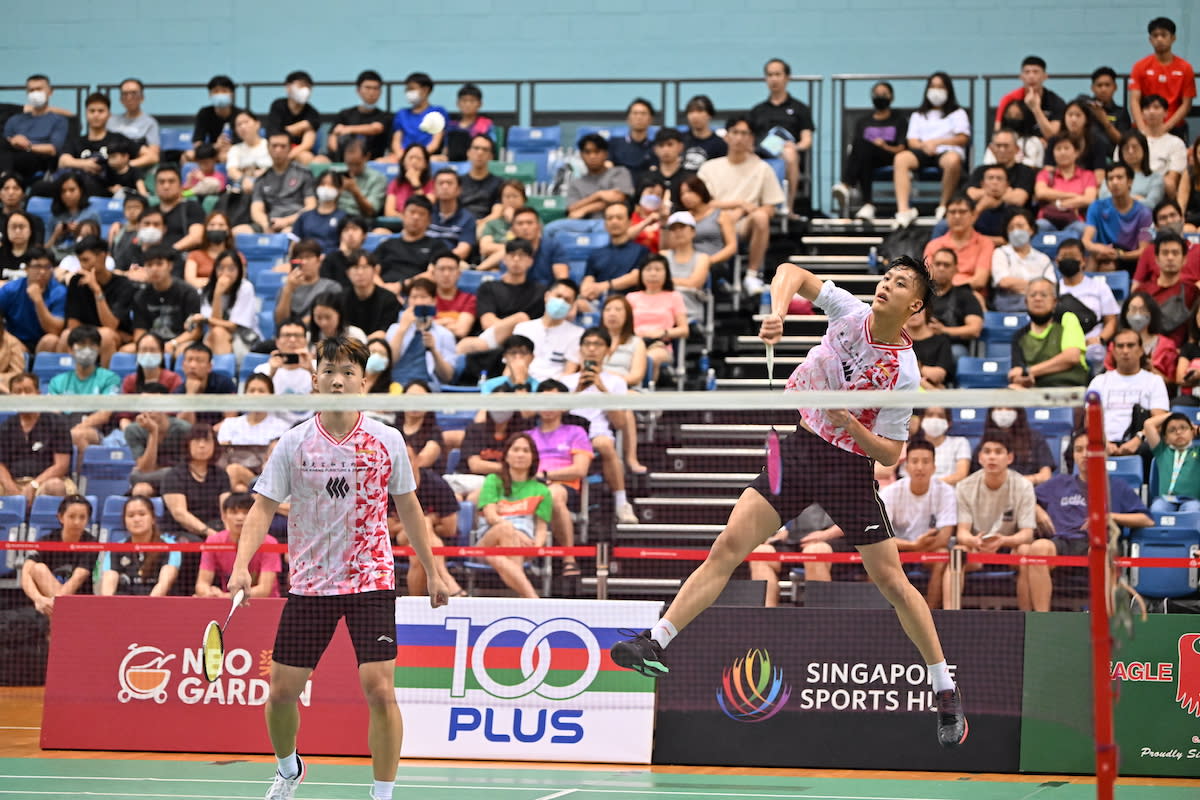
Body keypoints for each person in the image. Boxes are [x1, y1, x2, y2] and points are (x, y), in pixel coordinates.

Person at [610, 256, 967, 748]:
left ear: (916, 305)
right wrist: (777, 311)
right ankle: (656, 641)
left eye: (900, 283)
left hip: (847, 467)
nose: (887, 286)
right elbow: (791, 270)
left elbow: (890, 452)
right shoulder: (847, 312)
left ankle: (944, 688)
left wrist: (850, 424)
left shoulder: (904, 373)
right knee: (728, 546)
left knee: (891, 581)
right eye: (887, 277)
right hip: (799, 451)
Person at [227, 335, 446, 800]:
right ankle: (289, 770)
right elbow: (263, 508)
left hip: (371, 577)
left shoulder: (387, 440)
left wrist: (434, 569)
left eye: (348, 372)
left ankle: (382, 795)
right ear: (315, 380)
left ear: (362, 383)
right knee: (282, 691)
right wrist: (242, 565)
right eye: (329, 370)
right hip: (310, 583)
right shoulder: (293, 443)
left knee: (379, 688)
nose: (338, 379)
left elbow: (408, 507)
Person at [1031, 431, 1153, 611]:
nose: (1085, 454)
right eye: (1079, 450)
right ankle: (1042, 619)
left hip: (1095, 543)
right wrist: (1038, 510)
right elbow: (1025, 497)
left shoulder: (1117, 486)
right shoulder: (1059, 483)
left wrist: (1109, 517)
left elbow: (1147, 520)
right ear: (1074, 455)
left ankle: (1105, 618)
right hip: (1062, 542)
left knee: (1101, 552)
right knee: (1038, 548)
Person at [557, 326, 642, 523]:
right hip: (567, 434)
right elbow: (553, 414)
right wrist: (577, 390)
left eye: (597, 344)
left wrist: (602, 389)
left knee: (605, 444)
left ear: (607, 350)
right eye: (587, 344)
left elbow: (620, 423)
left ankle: (621, 503)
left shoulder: (616, 383)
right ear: (580, 349)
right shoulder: (565, 381)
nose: (592, 349)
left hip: (597, 435)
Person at [697, 116, 784, 295]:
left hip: (744, 224)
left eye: (744, 133)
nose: (739, 137)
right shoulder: (709, 167)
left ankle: (751, 275)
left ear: (751, 138)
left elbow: (770, 207)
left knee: (761, 217)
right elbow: (702, 202)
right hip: (713, 222)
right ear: (727, 137)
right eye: (735, 132)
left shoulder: (762, 168)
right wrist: (739, 204)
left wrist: (745, 212)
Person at [952, 435, 1037, 609]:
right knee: (957, 553)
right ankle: (949, 614)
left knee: (1027, 550)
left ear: (1010, 458)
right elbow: (962, 533)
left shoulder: (1023, 486)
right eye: (987, 452)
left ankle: (1030, 617)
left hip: (1009, 546)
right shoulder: (964, 487)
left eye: (998, 452)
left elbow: (1027, 534)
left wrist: (1004, 540)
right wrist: (973, 541)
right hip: (977, 547)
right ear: (980, 458)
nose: (992, 457)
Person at [474, 432, 554, 599]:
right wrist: (513, 531)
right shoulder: (493, 480)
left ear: (533, 457)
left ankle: (525, 597)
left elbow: (541, 527)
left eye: (526, 450)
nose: (520, 454)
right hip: (487, 541)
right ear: (506, 456)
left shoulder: (542, 490)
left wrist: (536, 547)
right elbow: (490, 516)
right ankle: (532, 598)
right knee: (505, 528)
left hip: (523, 546)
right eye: (515, 449)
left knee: (496, 557)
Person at [879, 440, 955, 609]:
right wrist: (912, 545)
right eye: (914, 461)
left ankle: (931, 612)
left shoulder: (946, 492)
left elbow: (944, 538)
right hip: (899, 549)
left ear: (934, 467)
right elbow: (880, 537)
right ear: (906, 467)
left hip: (930, 548)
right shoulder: (891, 492)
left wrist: (919, 546)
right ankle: (882, 613)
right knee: (879, 558)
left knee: (942, 555)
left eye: (926, 462)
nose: (920, 467)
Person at [529, 380, 593, 580]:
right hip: (529, 487)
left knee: (553, 494)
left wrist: (546, 476)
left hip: (564, 488)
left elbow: (580, 469)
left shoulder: (576, 432)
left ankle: (569, 559)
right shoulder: (526, 436)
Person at [892, 72, 971, 227]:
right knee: (901, 158)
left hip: (947, 151)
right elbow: (912, 141)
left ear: (948, 90)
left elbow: (963, 138)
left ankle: (943, 206)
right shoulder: (918, 115)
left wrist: (938, 142)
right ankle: (903, 210)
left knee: (953, 160)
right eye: (933, 86)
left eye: (940, 87)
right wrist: (925, 146)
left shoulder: (958, 113)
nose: (936, 90)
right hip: (923, 151)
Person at [387, 446, 465, 599]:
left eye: (407, 459)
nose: (403, 465)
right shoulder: (385, 484)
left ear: (418, 461)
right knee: (425, 524)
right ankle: (445, 577)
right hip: (397, 544)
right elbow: (388, 529)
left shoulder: (436, 484)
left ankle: (416, 604)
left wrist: (417, 523)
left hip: (433, 543)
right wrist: (426, 520)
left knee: (418, 554)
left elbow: (450, 529)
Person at [831, 81, 907, 220]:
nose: (880, 97)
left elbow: (902, 148)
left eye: (884, 94)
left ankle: (846, 185)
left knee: (863, 150)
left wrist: (884, 146)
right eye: (877, 94)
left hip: (891, 156)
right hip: (868, 158)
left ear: (892, 97)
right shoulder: (863, 121)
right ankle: (867, 205)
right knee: (862, 150)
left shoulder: (899, 120)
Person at [749, 59, 814, 216]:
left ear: (787, 77)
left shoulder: (800, 108)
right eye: (770, 75)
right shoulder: (757, 111)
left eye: (778, 74)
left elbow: (807, 140)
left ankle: (788, 207)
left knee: (790, 154)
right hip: (761, 156)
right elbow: (749, 139)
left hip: (787, 155)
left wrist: (794, 147)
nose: (774, 79)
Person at [1091, 327, 1171, 455]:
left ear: (1140, 350)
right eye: (1120, 346)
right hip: (1104, 442)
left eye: (1130, 345)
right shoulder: (1099, 381)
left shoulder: (1154, 381)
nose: (1125, 351)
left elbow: (1159, 420)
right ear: (1113, 351)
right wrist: (1103, 442)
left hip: (1140, 443)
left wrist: (1138, 440)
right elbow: (1089, 419)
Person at [458, 239, 546, 354]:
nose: (516, 259)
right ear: (504, 259)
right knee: (467, 345)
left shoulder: (540, 291)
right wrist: (511, 325)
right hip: (492, 339)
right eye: (512, 255)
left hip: (526, 344)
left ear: (530, 261)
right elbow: (487, 322)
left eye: (522, 255)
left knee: (522, 319)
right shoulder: (488, 287)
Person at [749, 505, 843, 607]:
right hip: (797, 540)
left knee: (814, 552)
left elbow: (860, 520)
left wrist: (826, 534)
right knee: (761, 553)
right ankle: (765, 615)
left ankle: (818, 617)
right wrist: (784, 532)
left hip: (835, 539)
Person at [64, 235, 136, 364]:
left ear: (102, 256)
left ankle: (105, 380)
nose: (82, 266)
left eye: (86, 260)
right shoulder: (76, 281)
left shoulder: (123, 285)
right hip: (86, 332)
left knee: (105, 335)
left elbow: (111, 325)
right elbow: (72, 323)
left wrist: (97, 290)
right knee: (65, 336)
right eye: (80, 261)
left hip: (116, 335)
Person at [0, 373, 72, 501]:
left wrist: (34, 485)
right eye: (17, 392)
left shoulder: (56, 423)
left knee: (55, 486)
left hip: (46, 481)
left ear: (38, 394)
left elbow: (61, 466)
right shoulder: (5, 427)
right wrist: (11, 488)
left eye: (28, 391)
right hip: (14, 482)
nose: (23, 396)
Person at [21, 495, 96, 616]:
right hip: (48, 603)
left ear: (88, 520)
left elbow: (77, 579)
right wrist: (38, 599)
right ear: (61, 517)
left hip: (79, 602)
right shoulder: (47, 541)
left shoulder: (91, 543)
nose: (77, 522)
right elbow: (26, 572)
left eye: (82, 517)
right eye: (72, 516)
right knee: (38, 568)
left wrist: (57, 604)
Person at [196, 492, 281, 598]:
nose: (240, 518)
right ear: (224, 516)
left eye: (245, 512)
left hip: (266, 604)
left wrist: (223, 596)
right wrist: (208, 593)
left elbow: (264, 589)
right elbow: (202, 584)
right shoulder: (214, 541)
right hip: (227, 605)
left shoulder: (269, 543)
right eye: (234, 512)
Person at [216, 373, 292, 491]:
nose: (256, 395)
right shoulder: (229, 424)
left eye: (261, 391)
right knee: (239, 487)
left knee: (234, 471)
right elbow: (222, 459)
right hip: (233, 477)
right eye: (252, 390)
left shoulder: (282, 428)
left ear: (271, 396)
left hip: (266, 481)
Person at [1007, 279, 1088, 389]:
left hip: (1070, 389)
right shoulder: (1019, 336)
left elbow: (1072, 357)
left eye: (1044, 295)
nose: (1038, 299)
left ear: (1055, 302)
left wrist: (1029, 371)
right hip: (1036, 391)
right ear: (1026, 302)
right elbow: (1017, 373)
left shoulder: (1067, 320)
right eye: (1032, 295)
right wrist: (1021, 378)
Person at [1129, 17, 1196, 141]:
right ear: (1150, 39)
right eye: (1155, 35)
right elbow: (1134, 101)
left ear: (1173, 38)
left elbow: (1186, 104)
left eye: (1164, 35)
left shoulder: (1185, 68)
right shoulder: (1139, 66)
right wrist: (1143, 129)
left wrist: (1165, 128)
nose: (1159, 39)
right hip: (1145, 125)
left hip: (1174, 127)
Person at [97, 496, 180, 596]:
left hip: (157, 606)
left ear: (153, 518)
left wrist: (144, 609)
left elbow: (163, 584)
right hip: (123, 606)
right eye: (131, 516)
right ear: (124, 521)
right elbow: (108, 589)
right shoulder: (116, 548)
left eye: (142, 514)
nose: (136, 519)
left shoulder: (170, 546)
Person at [1055, 238, 1120, 366]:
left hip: (1092, 345)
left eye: (1073, 256)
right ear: (1057, 261)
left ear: (1083, 261)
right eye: (1064, 257)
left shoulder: (1099, 286)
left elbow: (1111, 320)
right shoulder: (1052, 290)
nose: (1068, 260)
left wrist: (1100, 339)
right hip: (1063, 347)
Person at [162, 423, 231, 541]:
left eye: (207, 441)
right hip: (181, 530)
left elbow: (226, 509)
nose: (202, 445)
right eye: (196, 440)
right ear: (187, 444)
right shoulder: (174, 475)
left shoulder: (221, 474)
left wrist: (228, 534)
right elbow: (180, 513)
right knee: (193, 542)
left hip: (214, 526)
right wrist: (208, 532)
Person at [129, 244, 202, 356]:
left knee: (181, 352)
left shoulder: (188, 293)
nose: (154, 269)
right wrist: (148, 345)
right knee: (124, 352)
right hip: (152, 342)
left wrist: (173, 343)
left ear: (170, 265)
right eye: (149, 265)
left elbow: (195, 331)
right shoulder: (140, 296)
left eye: (159, 264)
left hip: (180, 342)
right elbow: (139, 331)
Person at [627, 255, 689, 384]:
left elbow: (684, 329)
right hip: (633, 342)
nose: (653, 273)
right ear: (641, 273)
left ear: (666, 273)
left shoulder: (674, 296)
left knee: (649, 358)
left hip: (660, 345)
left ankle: (645, 393)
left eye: (658, 269)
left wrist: (663, 332)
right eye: (648, 269)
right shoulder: (631, 297)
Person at [385, 279, 457, 387]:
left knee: (415, 389)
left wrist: (433, 350)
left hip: (427, 384)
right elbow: (387, 364)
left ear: (433, 301)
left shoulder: (445, 334)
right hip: (394, 383)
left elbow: (447, 377)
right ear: (408, 301)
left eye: (423, 297)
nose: (418, 302)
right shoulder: (395, 329)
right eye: (414, 297)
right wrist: (402, 329)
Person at [374, 195, 450, 295]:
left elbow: (433, 274)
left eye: (421, 214)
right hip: (383, 293)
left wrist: (401, 285)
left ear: (429, 220)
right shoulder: (387, 244)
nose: (416, 217)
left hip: (417, 295)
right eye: (412, 212)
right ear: (403, 215)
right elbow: (371, 271)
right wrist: (384, 290)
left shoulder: (437, 246)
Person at [1083, 164, 1153, 272]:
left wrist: (1119, 255)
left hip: (1130, 259)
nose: (1115, 182)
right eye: (1110, 179)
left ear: (1130, 181)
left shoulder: (1144, 212)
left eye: (1119, 178)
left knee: (1107, 266)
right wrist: (1099, 248)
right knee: (1094, 257)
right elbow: (1086, 240)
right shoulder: (1096, 207)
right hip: (1103, 255)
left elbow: (1143, 251)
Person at [1, 74, 69, 184]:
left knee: (25, 157)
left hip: (37, 159)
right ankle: (6, 177)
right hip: (12, 157)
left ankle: (6, 179)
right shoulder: (15, 120)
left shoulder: (59, 121)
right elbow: (5, 142)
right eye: (31, 90)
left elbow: (53, 149)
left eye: (39, 89)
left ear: (50, 92)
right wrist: (14, 141)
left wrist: (28, 146)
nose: (35, 93)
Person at [579, 202, 650, 307]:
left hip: (631, 304)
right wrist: (586, 290)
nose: (614, 221)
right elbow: (588, 279)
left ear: (630, 222)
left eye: (619, 217)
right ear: (605, 224)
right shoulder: (596, 253)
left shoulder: (641, 251)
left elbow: (635, 277)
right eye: (610, 218)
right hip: (600, 304)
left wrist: (604, 286)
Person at [922, 194, 994, 296]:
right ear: (946, 215)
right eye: (952, 212)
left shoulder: (985, 243)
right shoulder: (933, 245)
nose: (957, 216)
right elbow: (928, 278)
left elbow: (980, 281)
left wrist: (949, 286)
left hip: (971, 296)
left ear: (973, 215)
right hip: (939, 296)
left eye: (962, 212)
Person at [247, 133, 316, 234]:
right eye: (274, 146)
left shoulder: (304, 174)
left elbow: (311, 206)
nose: (278, 150)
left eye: (283, 146)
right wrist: (266, 224)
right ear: (268, 148)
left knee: (286, 234)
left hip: (296, 221)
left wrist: (286, 221)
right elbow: (256, 209)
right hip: (270, 222)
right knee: (239, 231)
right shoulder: (262, 179)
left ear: (290, 149)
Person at [970, 407, 1056, 486]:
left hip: (1028, 491)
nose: (1004, 412)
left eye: (1008, 408)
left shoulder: (1035, 438)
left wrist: (1017, 482)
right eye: (999, 408)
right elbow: (974, 477)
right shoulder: (986, 440)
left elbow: (1045, 476)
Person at [992, 208, 1056, 312]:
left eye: (1020, 226)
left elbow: (1050, 286)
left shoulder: (1043, 258)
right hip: (1009, 302)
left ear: (1031, 230)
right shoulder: (1001, 253)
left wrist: (1020, 286)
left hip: (1039, 303)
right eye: (1011, 228)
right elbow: (1004, 282)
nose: (1016, 231)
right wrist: (1037, 288)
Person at [925, 248, 982, 362]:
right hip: (922, 343)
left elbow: (975, 329)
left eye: (946, 265)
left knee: (956, 353)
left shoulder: (966, 296)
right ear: (931, 267)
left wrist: (944, 330)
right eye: (938, 264)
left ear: (956, 269)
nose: (941, 268)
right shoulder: (921, 294)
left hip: (952, 345)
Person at [1034, 137, 1098, 239]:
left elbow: (1090, 199)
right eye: (1058, 149)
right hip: (1048, 219)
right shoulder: (1045, 174)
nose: (1062, 152)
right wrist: (1074, 196)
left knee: (1084, 230)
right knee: (1039, 226)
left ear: (1076, 152)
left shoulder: (1088, 175)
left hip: (1075, 220)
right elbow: (1041, 193)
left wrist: (1058, 203)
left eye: (1066, 148)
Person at [1110, 291, 1179, 382]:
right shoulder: (1116, 343)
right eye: (1133, 309)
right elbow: (1109, 375)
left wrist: (1152, 371)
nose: (1137, 315)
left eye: (1142, 310)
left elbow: (1172, 383)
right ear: (1125, 313)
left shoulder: (1167, 345)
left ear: (1151, 313)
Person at [993, 55, 1066, 140]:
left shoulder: (1056, 102)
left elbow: (1052, 136)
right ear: (1021, 77)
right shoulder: (1009, 100)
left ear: (1045, 77)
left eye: (1036, 72)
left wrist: (1035, 108)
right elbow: (997, 133)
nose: (1031, 76)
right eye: (1027, 72)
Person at [274, 239, 342, 326]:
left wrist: (297, 327)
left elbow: (326, 318)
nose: (304, 262)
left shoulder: (331, 287)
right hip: (291, 335)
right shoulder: (285, 289)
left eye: (308, 257)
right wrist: (288, 290)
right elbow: (280, 322)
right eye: (300, 258)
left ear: (319, 260)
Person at [327, 70, 392, 162]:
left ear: (380, 92)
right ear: (358, 90)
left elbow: (376, 128)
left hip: (373, 161)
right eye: (368, 88)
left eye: (375, 88)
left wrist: (348, 129)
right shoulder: (345, 114)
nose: (371, 92)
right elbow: (333, 136)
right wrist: (339, 153)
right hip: (345, 160)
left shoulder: (385, 116)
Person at [566, 134, 634, 220]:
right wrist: (598, 195)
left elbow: (618, 198)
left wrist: (585, 209)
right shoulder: (576, 183)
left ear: (606, 154)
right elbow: (571, 209)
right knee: (552, 228)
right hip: (582, 225)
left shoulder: (619, 172)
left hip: (612, 223)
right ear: (581, 155)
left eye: (597, 152)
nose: (592, 156)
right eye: (587, 152)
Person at [661, 210, 712, 323]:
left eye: (682, 227)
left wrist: (665, 282)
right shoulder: (663, 255)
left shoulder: (703, 258)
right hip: (661, 309)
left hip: (688, 311)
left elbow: (694, 283)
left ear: (693, 231)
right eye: (673, 229)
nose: (678, 232)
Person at [1143, 412, 1200, 513]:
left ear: (1192, 432)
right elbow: (1148, 424)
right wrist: (1173, 414)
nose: (1178, 432)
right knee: (1157, 509)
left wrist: (1198, 430)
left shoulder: (1197, 451)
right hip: (1165, 500)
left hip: (1191, 501)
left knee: (1193, 511)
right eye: (1172, 430)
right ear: (1165, 438)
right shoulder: (1162, 451)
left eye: (1183, 428)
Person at [47, 324, 120, 396]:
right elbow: (53, 407)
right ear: (70, 350)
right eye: (82, 344)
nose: (87, 350)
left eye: (92, 345)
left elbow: (107, 407)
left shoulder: (109, 379)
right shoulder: (57, 383)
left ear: (99, 349)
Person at [267, 70, 320, 165]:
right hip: (276, 146)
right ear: (288, 87)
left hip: (296, 150)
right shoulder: (277, 106)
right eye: (300, 85)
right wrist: (301, 126)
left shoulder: (313, 113)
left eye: (308, 87)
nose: (305, 90)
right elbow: (274, 133)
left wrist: (288, 156)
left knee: (307, 157)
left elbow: (307, 143)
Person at [390, 71, 447, 158]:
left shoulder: (437, 112)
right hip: (403, 157)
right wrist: (404, 158)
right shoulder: (402, 114)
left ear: (425, 90)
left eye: (412, 89)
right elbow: (396, 142)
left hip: (427, 157)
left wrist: (419, 157)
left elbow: (435, 143)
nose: (408, 93)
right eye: (407, 89)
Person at [109, 78, 160, 168]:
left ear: (142, 97)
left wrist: (126, 166)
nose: (129, 97)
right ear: (121, 99)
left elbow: (154, 156)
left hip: (136, 169)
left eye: (133, 93)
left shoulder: (150, 123)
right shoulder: (111, 121)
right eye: (125, 94)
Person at [292, 171, 347, 253]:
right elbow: (294, 245)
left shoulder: (344, 217)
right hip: (306, 259)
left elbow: (345, 248)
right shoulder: (304, 216)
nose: (326, 188)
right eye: (323, 184)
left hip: (331, 261)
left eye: (331, 184)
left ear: (340, 189)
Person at [428, 168, 477, 261]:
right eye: (440, 183)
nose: (445, 187)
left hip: (449, 265)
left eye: (449, 183)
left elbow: (463, 251)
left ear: (459, 189)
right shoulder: (426, 213)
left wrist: (437, 263)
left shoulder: (467, 218)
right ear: (434, 189)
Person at [913, 406, 970, 485]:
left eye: (941, 416)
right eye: (930, 415)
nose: (935, 420)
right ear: (922, 420)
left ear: (949, 422)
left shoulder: (960, 443)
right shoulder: (913, 445)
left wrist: (930, 485)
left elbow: (961, 475)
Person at [188, 75, 240, 162]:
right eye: (216, 91)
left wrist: (231, 148)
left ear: (232, 94)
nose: (220, 94)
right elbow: (197, 143)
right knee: (188, 155)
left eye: (224, 91)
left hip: (236, 151)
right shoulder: (204, 113)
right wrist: (215, 146)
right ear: (210, 95)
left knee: (225, 156)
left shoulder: (241, 114)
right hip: (211, 151)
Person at [47, 174, 99, 259]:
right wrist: (56, 234)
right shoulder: (55, 217)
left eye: (72, 190)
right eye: (63, 191)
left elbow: (97, 247)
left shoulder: (91, 215)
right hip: (56, 257)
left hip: (81, 258)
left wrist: (79, 232)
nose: (67, 195)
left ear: (81, 190)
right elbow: (45, 248)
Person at [904, 305, 955, 389]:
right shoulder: (898, 340)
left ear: (926, 311)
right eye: (909, 310)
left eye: (918, 310)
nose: (914, 314)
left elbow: (938, 375)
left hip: (931, 392)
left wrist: (916, 368)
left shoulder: (941, 341)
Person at [338, 138, 388, 219]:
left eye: (357, 164)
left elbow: (371, 211)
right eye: (349, 164)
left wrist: (355, 192)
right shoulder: (337, 176)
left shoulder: (378, 179)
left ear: (367, 157)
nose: (352, 169)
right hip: (337, 219)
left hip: (361, 221)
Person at [608, 98, 658, 179]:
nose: (639, 117)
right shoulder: (614, 144)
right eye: (635, 113)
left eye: (643, 113)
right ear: (628, 119)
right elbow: (608, 168)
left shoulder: (656, 147)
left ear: (651, 119)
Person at [429, 252, 475, 339]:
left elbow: (461, 331)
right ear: (433, 273)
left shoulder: (469, 299)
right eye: (441, 269)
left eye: (451, 269)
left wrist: (433, 324)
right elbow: (419, 327)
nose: (446, 274)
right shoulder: (425, 298)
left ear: (459, 274)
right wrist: (447, 321)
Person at [183, 211, 233, 289]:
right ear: (206, 229)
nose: (216, 228)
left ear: (228, 230)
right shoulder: (194, 255)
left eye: (221, 225)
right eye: (212, 225)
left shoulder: (236, 256)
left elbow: (238, 282)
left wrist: (205, 282)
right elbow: (190, 280)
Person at [382, 144, 434, 217]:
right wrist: (407, 219)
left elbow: (427, 209)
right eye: (410, 158)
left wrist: (415, 183)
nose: (414, 161)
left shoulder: (431, 184)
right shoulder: (395, 183)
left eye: (418, 158)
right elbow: (389, 212)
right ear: (403, 162)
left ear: (425, 164)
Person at [459, 135, 502, 223]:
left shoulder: (499, 183)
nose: (480, 153)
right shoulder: (457, 182)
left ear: (491, 156)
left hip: (485, 227)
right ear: (468, 153)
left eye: (485, 150)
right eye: (476, 148)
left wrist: (477, 224)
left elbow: (497, 213)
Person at [1087, 66, 1132, 145]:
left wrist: (1104, 121)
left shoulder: (1121, 112)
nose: (1103, 89)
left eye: (1107, 85)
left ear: (1115, 87)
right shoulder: (1085, 109)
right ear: (1092, 88)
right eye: (1099, 85)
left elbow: (1124, 143)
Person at [681, 94, 727, 171]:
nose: (695, 116)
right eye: (691, 111)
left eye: (700, 111)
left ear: (710, 115)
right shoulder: (680, 140)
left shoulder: (720, 144)